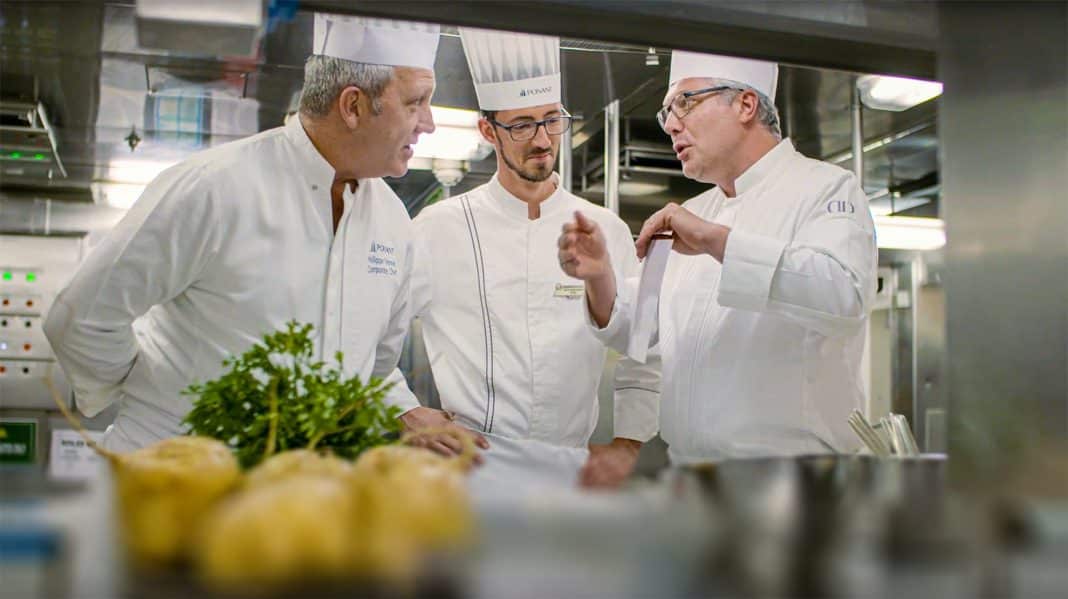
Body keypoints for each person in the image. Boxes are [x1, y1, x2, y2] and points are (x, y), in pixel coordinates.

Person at [44, 15, 447, 451]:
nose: (428, 123)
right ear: (352, 106)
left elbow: (371, 361)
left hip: (284, 494)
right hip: (170, 480)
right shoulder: (215, 186)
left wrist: (401, 408)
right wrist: (152, 399)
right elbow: (81, 317)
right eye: (415, 102)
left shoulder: (391, 222)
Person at [558, 51, 877, 464]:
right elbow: (637, 330)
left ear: (746, 104)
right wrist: (599, 275)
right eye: (666, 113)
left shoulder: (827, 189)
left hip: (792, 482)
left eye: (685, 103)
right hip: (692, 478)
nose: (672, 124)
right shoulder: (698, 209)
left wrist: (716, 241)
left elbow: (844, 296)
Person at [397, 28, 659, 488]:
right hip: (471, 467)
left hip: (573, 470)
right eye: (520, 125)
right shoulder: (438, 228)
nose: (541, 140)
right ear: (487, 131)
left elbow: (647, 346)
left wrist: (629, 443)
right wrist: (406, 410)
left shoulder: (605, 228)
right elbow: (369, 333)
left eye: (551, 120)